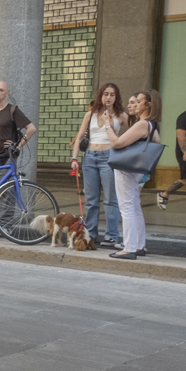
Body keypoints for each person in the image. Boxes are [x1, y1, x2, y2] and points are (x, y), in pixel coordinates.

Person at [104, 91, 161, 260]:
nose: (133, 105)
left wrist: (107, 125)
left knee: (126, 206)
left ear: (148, 105)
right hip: (136, 170)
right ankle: (138, 246)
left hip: (126, 168)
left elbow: (116, 143)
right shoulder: (152, 124)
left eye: (137, 102)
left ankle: (129, 248)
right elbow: (156, 143)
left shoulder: (143, 124)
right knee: (134, 206)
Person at [70, 83, 125, 248]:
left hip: (109, 157)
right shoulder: (91, 114)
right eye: (105, 94)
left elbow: (134, 133)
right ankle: (91, 234)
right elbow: (79, 137)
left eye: (112, 94)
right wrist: (74, 158)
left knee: (110, 199)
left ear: (117, 97)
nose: (108, 97)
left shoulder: (121, 115)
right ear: (101, 96)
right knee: (91, 200)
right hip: (90, 158)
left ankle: (112, 235)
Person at [0, 81, 36, 233]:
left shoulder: (12, 110)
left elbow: (31, 128)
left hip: (6, 157)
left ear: (6, 94)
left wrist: (18, 146)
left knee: (6, 193)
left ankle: (6, 226)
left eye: (1, 90)